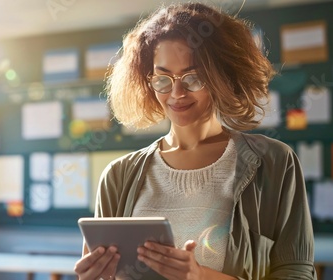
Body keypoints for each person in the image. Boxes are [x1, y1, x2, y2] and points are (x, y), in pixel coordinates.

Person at [74, 2, 316, 280]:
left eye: (194, 77)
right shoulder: (118, 176)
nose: (177, 92)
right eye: (162, 78)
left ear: (222, 76)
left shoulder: (274, 162)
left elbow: (297, 274)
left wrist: (200, 276)